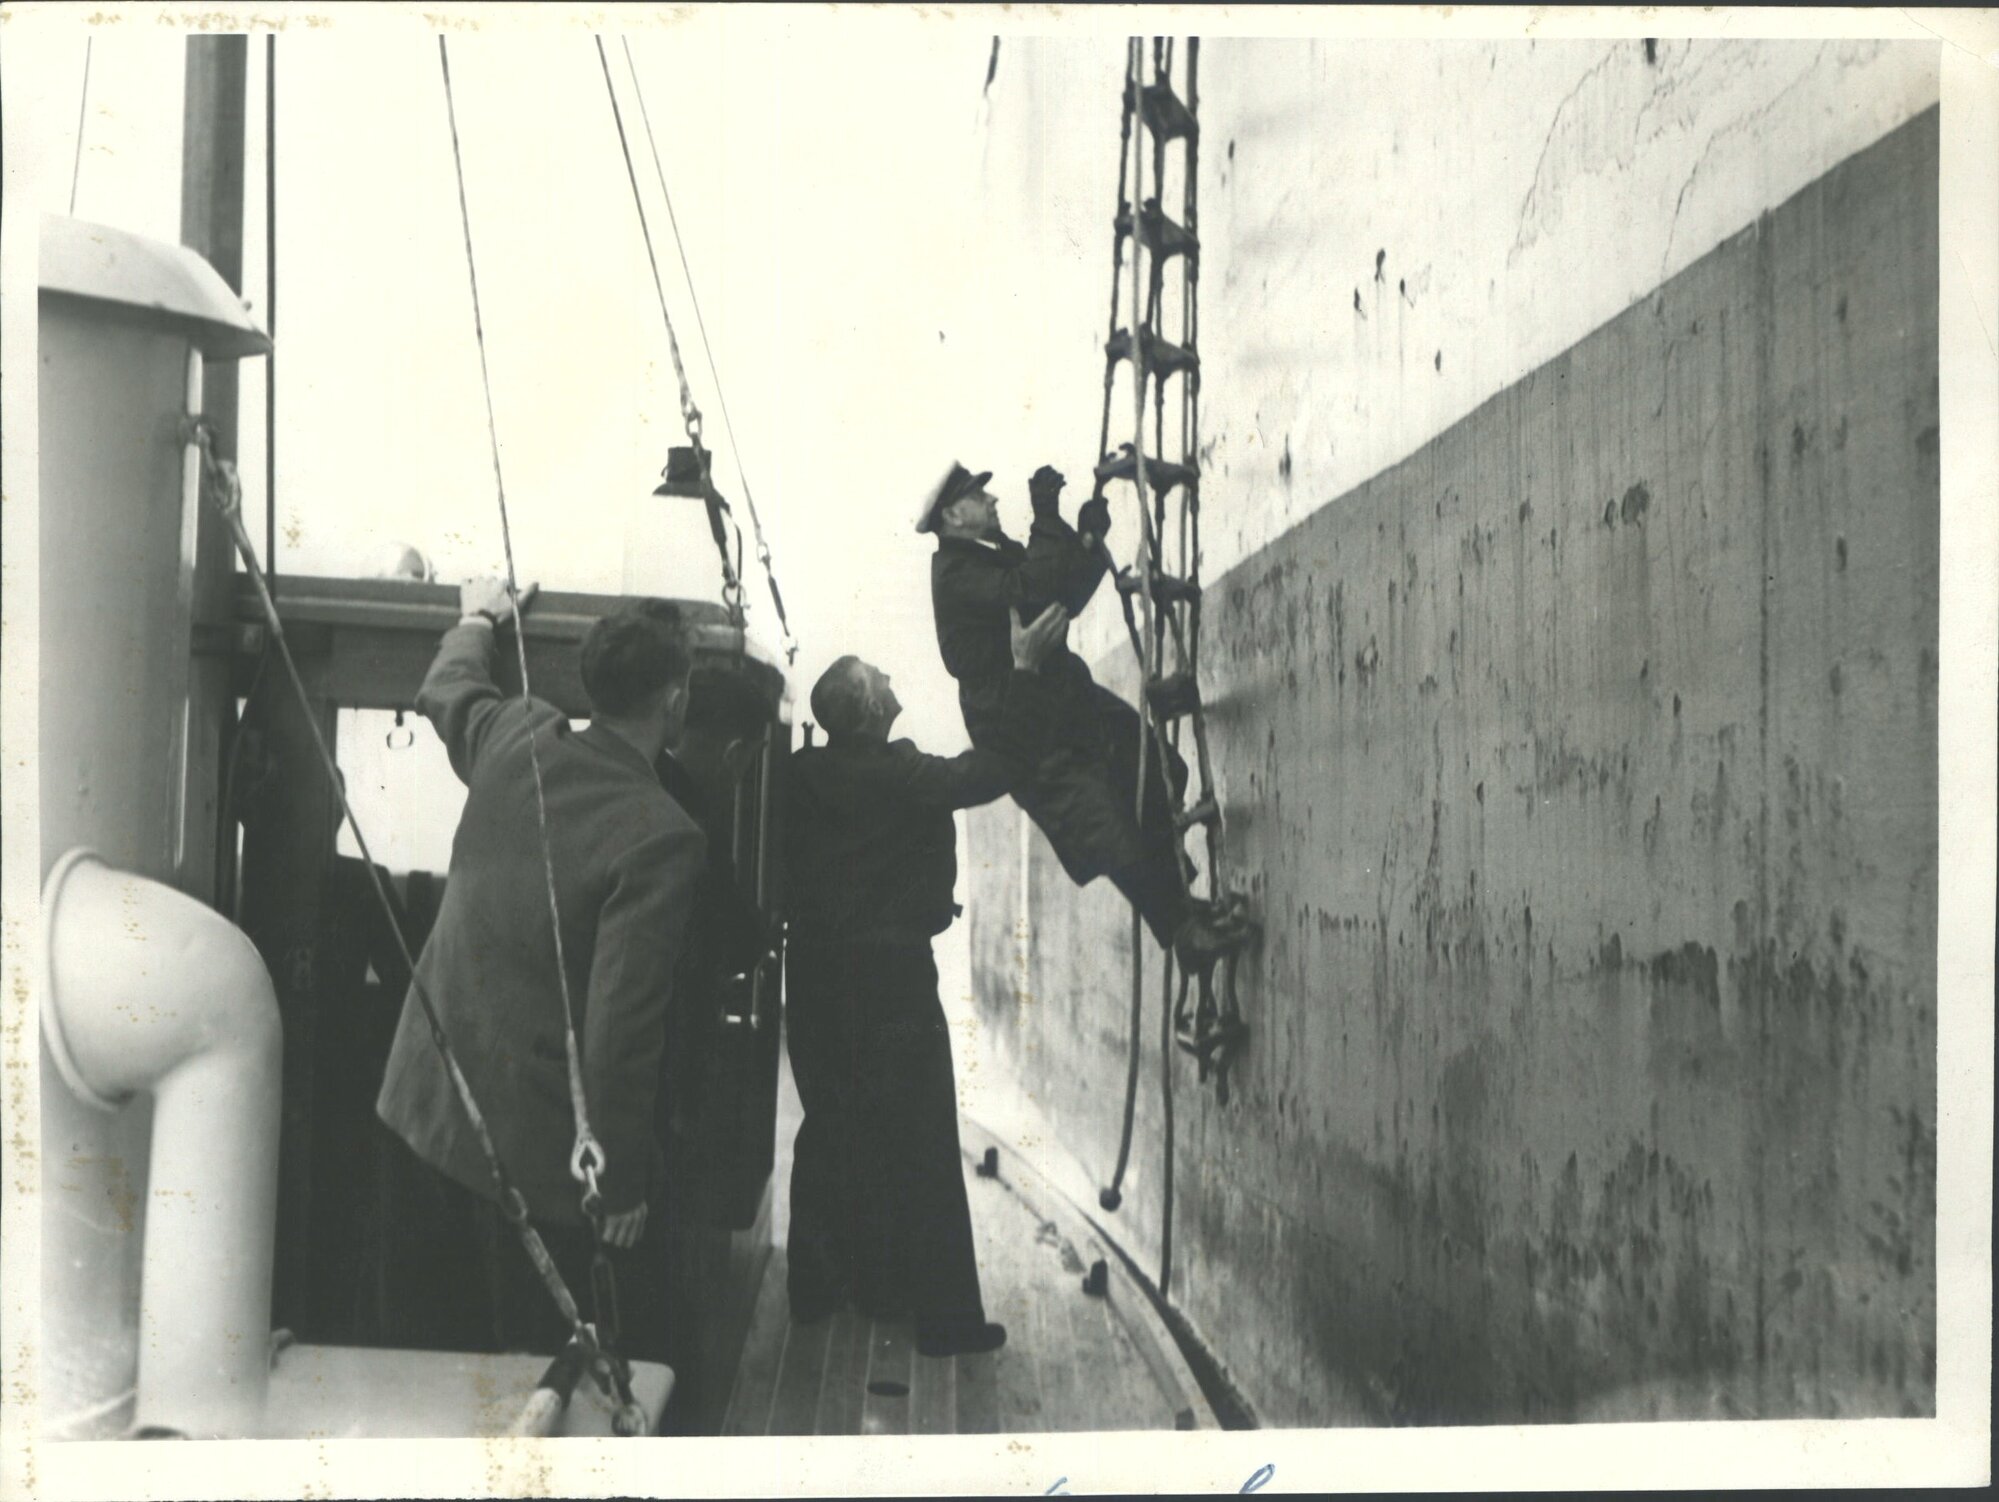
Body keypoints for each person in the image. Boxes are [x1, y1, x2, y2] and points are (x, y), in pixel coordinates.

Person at [376, 578, 704, 1365]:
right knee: (546, 1386)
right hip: (523, 1170)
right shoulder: (663, 834)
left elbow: (445, 685)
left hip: (417, 1114)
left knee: (416, 1370)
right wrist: (621, 1185)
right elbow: (617, 1035)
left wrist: (477, 618)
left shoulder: (516, 731)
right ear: (674, 699)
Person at [784, 602, 1070, 1358]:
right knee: (918, 1139)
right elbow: (994, 771)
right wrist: (1025, 676)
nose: (886, 674)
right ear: (871, 705)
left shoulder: (799, 776)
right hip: (891, 979)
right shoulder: (901, 772)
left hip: (812, 977)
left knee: (831, 1128)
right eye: (875, 674)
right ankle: (943, 1318)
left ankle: (819, 1290)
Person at [921, 460, 1251, 968]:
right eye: (977, 495)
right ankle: (1183, 931)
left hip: (1068, 702)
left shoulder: (991, 556)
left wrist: (1088, 540)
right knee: (1105, 825)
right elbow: (1031, 591)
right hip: (1025, 727)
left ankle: (1180, 905)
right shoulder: (956, 574)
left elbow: (1061, 597)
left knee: (1158, 770)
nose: (991, 500)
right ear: (953, 514)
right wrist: (1046, 519)